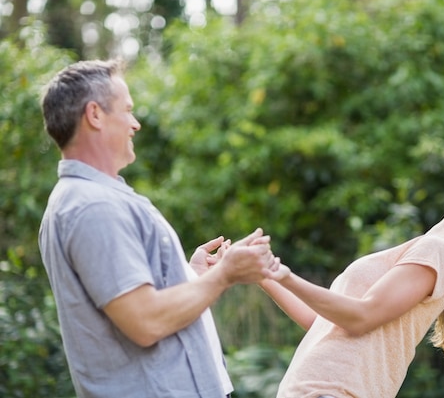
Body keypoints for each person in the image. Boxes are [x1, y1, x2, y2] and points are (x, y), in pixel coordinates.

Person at [38, 59, 274, 398]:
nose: (135, 124)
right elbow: (146, 322)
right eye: (128, 110)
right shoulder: (94, 206)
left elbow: (139, 302)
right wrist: (224, 276)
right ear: (95, 115)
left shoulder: (92, 199)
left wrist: (189, 276)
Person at [261, 199, 444, 398]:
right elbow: (321, 322)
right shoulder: (426, 253)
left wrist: (284, 275)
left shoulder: (439, 251)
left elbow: (361, 318)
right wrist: (263, 274)